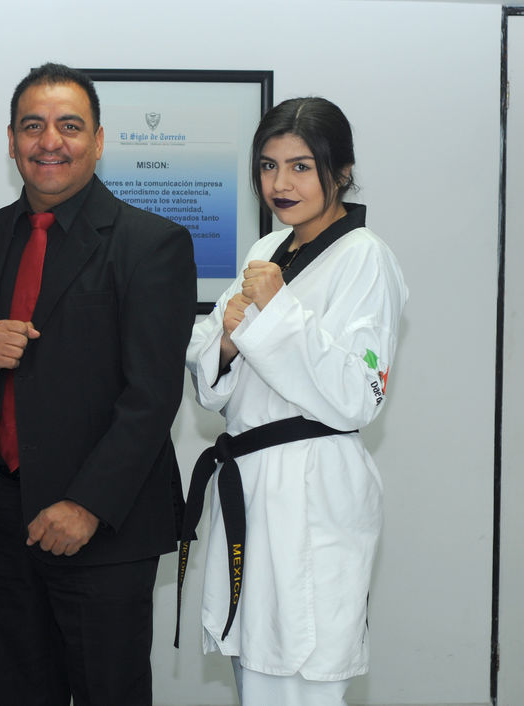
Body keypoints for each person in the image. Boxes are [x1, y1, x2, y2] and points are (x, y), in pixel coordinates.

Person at [0, 63, 196, 706]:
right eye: (32, 126)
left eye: (70, 126)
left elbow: (152, 398)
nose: (50, 141)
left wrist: (86, 506)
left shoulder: (151, 244)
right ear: (11, 141)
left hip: (103, 528)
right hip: (1, 525)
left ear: (98, 141)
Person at [182, 97, 408, 705]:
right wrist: (227, 341)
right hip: (253, 478)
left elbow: (357, 395)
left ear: (342, 171)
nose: (280, 184)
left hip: (312, 485)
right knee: (256, 666)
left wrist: (276, 309)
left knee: (303, 670)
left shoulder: (366, 258)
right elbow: (208, 365)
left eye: (301, 167)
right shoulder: (266, 251)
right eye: (268, 166)